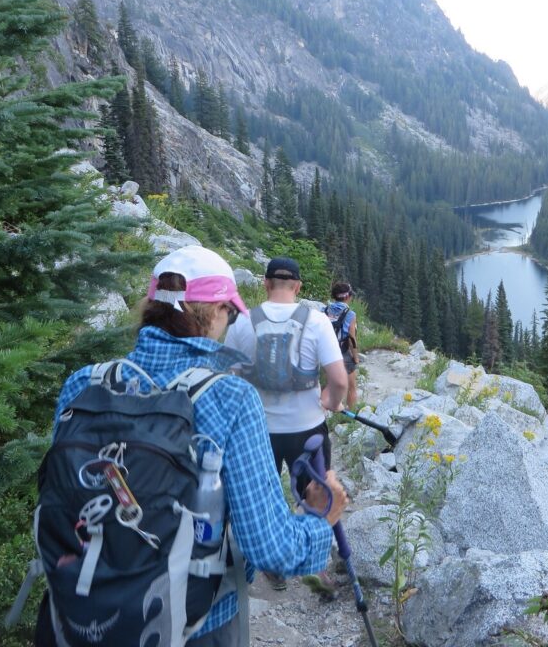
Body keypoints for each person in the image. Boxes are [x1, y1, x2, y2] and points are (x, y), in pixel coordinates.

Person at [48, 245, 347, 646]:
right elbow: (269, 546)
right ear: (215, 310)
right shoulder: (230, 398)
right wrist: (320, 517)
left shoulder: (83, 382)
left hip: (80, 611)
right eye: (230, 312)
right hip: (193, 622)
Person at [224, 257, 348, 590]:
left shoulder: (241, 322)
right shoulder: (317, 321)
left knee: (265, 494)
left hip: (258, 430)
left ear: (265, 284)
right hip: (307, 429)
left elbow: (226, 377)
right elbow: (338, 379)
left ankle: (272, 566)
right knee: (316, 493)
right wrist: (331, 402)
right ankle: (316, 566)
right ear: (297, 287)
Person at [324, 282, 359, 409]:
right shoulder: (350, 314)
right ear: (347, 296)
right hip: (342, 352)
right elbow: (351, 338)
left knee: (329, 383)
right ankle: (351, 414)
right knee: (351, 386)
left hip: (326, 351)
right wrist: (355, 357)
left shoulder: (325, 310)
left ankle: (329, 409)